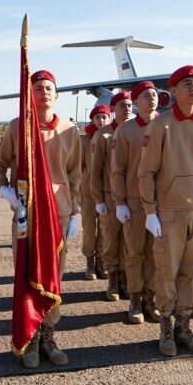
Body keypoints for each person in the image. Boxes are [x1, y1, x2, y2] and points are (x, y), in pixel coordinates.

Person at [0, 69, 81, 368]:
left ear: (57, 94)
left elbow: (75, 174)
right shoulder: (17, 127)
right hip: (26, 214)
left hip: (58, 213)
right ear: (29, 94)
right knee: (26, 275)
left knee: (53, 277)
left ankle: (48, 335)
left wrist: (74, 210)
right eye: (38, 88)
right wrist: (4, 189)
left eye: (48, 88)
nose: (44, 93)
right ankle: (28, 337)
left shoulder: (69, 130)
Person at [138, 65, 193, 356]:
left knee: (192, 272)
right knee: (167, 272)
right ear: (173, 90)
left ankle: (184, 327)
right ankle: (166, 328)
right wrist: (150, 211)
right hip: (170, 212)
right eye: (186, 84)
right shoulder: (162, 125)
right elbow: (146, 172)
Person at [111, 81, 161, 324]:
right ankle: (135, 300)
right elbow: (118, 169)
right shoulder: (126, 130)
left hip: (162, 201)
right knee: (135, 252)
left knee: (156, 253)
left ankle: (150, 297)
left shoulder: (166, 125)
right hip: (134, 201)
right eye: (146, 95)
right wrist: (120, 201)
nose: (152, 98)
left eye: (154, 94)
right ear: (137, 101)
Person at [91, 91, 133, 301]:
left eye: (130, 105)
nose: (127, 109)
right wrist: (98, 199)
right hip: (110, 197)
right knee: (110, 239)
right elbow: (96, 170)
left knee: (129, 241)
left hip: (132, 196)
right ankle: (113, 280)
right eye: (122, 105)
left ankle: (125, 279)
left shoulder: (135, 130)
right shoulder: (103, 135)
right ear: (114, 109)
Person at [80, 104, 110, 280]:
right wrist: (77, 192)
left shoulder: (113, 136)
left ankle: (101, 261)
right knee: (89, 230)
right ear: (92, 120)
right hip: (88, 192)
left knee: (105, 231)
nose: (101, 120)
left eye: (104, 117)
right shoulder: (85, 140)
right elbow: (79, 167)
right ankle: (89, 262)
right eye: (97, 117)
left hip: (107, 191)